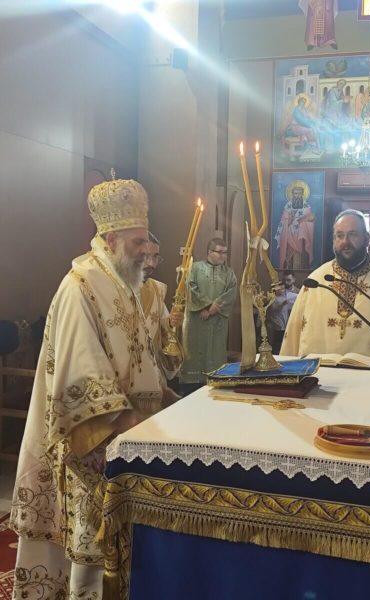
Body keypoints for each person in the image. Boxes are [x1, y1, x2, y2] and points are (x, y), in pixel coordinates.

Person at [10, 179, 174, 598]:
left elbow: (142, 357)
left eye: (146, 241)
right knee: (94, 546)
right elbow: (79, 371)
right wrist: (128, 421)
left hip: (135, 439)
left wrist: (167, 401)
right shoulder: (80, 285)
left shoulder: (128, 282)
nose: (146, 251)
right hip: (97, 438)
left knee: (127, 549)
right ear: (111, 238)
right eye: (138, 242)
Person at [281, 210, 370, 364]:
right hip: (320, 375)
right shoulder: (316, 281)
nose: (345, 241)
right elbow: (293, 338)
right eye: (339, 235)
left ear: (367, 239)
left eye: (353, 234)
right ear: (333, 240)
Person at [179, 238, 237, 393]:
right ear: (210, 252)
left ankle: (217, 383)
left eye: (225, 253)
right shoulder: (195, 268)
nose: (223, 256)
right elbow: (190, 287)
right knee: (194, 351)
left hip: (217, 320)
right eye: (219, 252)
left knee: (215, 351)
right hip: (198, 319)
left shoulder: (229, 272)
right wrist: (205, 305)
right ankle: (190, 388)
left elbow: (231, 292)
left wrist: (212, 309)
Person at [141, 231, 183, 382]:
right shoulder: (112, 289)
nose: (151, 264)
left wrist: (171, 322)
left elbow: (162, 325)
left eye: (155, 257)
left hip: (152, 372)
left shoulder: (156, 289)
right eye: (146, 256)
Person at [275, 181, 315, 270]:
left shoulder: (306, 206)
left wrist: (303, 222)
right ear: (292, 194)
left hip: (301, 236)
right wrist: (289, 219)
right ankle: (287, 270)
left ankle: (301, 270)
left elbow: (310, 220)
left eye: (299, 193)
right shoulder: (288, 206)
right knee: (289, 257)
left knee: (300, 258)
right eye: (295, 193)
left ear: (302, 195)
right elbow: (283, 221)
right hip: (289, 235)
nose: (297, 195)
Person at [267, 283, 298, 355]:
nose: (282, 291)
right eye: (280, 289)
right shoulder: (273, 298)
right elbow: (274, 309)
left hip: (284, 320)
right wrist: (283, 304)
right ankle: (276, 352)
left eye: (283, 289)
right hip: (277, 321)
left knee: (284, 336)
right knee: (278, 337)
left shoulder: (285, 297)